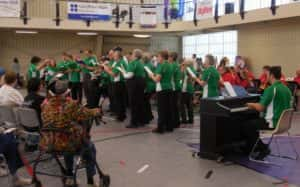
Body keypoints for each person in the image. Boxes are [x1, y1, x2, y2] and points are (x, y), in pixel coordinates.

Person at [40, 78, 100, 187]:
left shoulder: (45, 104)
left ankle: (69, 174)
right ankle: (91, 180)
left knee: (67, 141)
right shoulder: (70, 104)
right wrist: (96, 111)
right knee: (90, 147)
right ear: (67, 91)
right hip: (67, 142)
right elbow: (85, 114)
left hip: (50, 142)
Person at [242, 66, 292, 160]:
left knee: (247, 125)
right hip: (284, 124)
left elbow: (261, 108)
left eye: (267, 75)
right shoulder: (287, 89)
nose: (266, 76)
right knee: (252, 123)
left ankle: (262, 148)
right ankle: (253, 147)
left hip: (272, 122)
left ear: (271, 76)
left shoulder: (271, 89)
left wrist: (251, 104)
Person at [148, 51, 174, 133]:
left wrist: (151, 75)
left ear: (162, 57)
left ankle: (160, 128)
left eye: (158, 57)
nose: (157, 58)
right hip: (169, 88)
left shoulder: (161, 65)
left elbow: (157, 79)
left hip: (162, 89)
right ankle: (169, 126)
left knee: (161, 109)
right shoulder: (169, 65)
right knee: (168, 109)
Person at [121, 49, 146, 128]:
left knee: (133, 103)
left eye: (132, 54)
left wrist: (123, 73)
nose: (131, 55)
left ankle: (134, 122)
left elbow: (129, 75)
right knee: (139, 102)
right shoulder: (141, 63)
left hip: (134, 84)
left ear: (135, 55)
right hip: (141, 83)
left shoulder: (133, 63)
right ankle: (140, 121)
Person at [103, 50, 127, 122]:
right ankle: (121, 114)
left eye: (114, 55)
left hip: (119, 83)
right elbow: (112, 69)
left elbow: (114, 74)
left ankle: (120, 116)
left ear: (117, 56)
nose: (113, 56)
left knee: (119, 100)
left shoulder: (119, 62)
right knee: (119, 100)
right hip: (118, 83)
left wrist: (106, 69)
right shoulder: (118, 62)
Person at [180, 59, 196, 124]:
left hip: (185, 89)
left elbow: (181, 77)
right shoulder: (193, 70)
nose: (183, 62)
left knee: (182, 105)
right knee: (189, 105)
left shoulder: (186, 69)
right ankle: (191, 119)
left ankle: (184, 119)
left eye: (185, 61)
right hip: (190, 89)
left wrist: (182, 69)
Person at [169, 52, 181, 128]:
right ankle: (177, 122)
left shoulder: (173, 65)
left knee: (172, 106)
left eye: (169, 57)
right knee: (175, 106)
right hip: (177, 86)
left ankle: (173, 122)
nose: (168, 58)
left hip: (174, 87)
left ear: (172, 57)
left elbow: (170, 76)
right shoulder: (176, 64)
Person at [143, 52, 156, 124]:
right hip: (151, 85)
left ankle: (146, 118)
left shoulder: (146, 66)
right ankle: (150, 116)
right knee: (146, 102)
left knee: (145, 102)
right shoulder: (151, 65)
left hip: (147, 85)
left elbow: (145, 77)